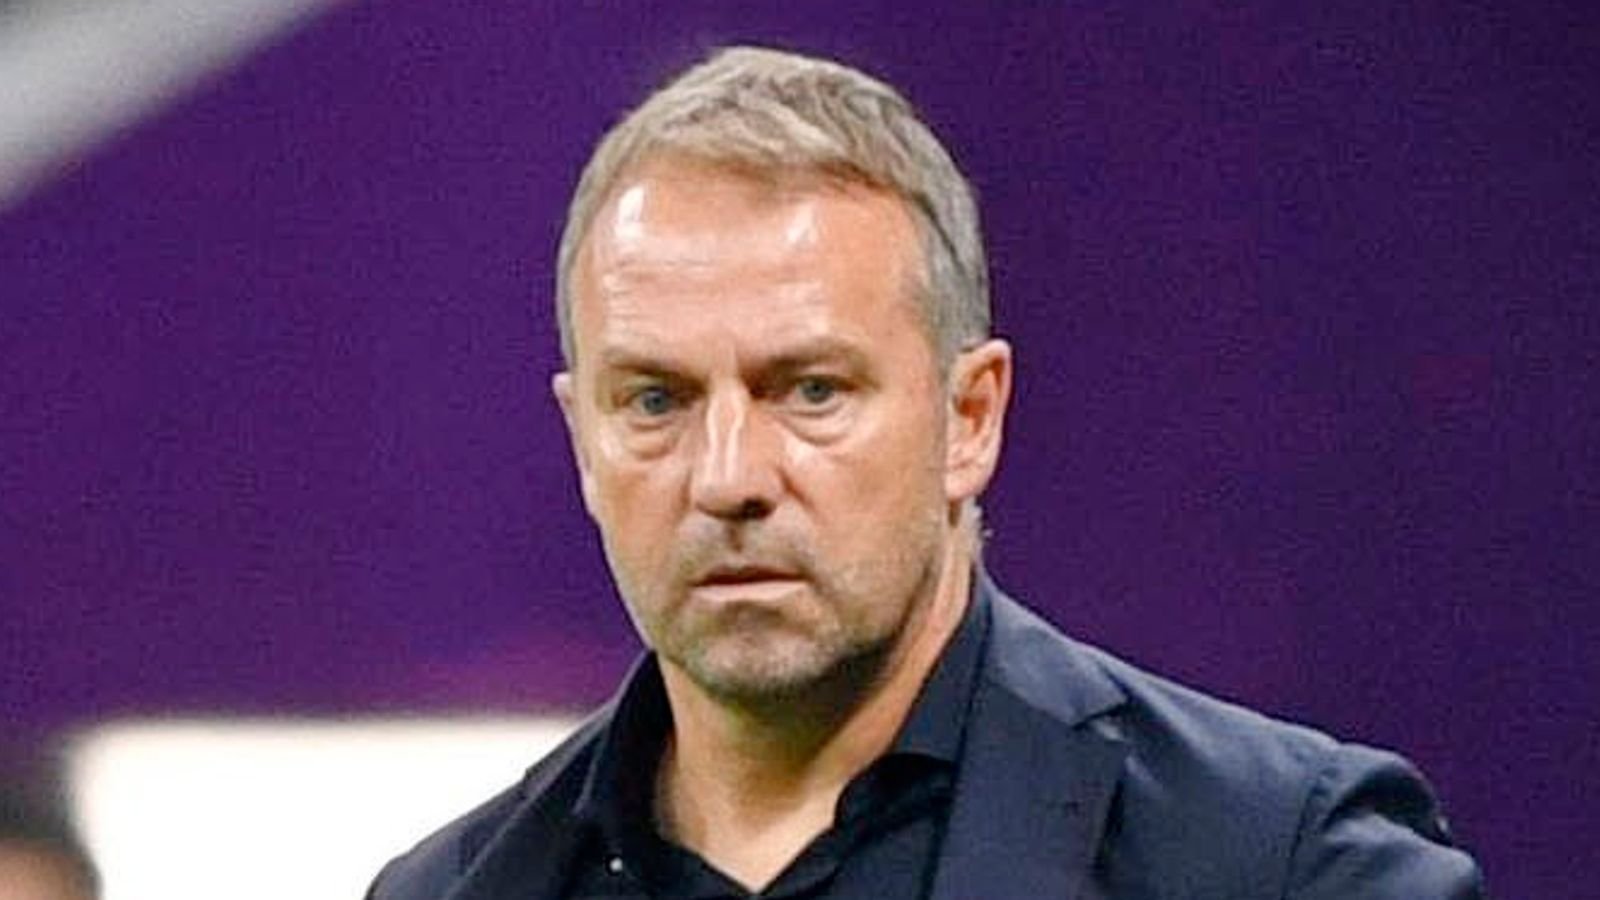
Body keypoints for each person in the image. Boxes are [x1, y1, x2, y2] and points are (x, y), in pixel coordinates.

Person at [367, 46, 1484, 899]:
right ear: (581, 442)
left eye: (810, 391)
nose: (728, 476)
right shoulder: (462, 888)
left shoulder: (1278, 862)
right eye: (654, 401)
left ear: (969, 418)